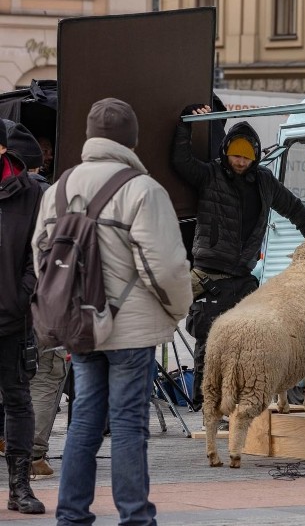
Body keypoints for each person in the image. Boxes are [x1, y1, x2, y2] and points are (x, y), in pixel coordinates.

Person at [32, 98, 192, 525]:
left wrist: (67, 308)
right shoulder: (143, 189)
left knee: (83, 420)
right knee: (126, 426)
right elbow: (167, 267)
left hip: (81, 327)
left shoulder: (59, 188)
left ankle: (72, 516)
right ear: (131, 140)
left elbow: (42, 259)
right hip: (132, 332)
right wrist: (178, 310)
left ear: (90, 137)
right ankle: (135, 518)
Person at [171, 104, 305, 412]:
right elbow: (180, 161)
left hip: (242, 277)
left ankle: (240, 400)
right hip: (209, 275)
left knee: (247, 342)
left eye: (246, 157)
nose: (239, 162)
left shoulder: (265, 182)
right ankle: (206, 403)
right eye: (235, 156)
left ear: (255, 158)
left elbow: (295, 209)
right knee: (209, 339)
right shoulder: (210, 174)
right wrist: (186, 124)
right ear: (226, 152)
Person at [3, 120, 63, 480]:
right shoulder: (45, 194)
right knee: (43, 378)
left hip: (20, 308)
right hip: (36, 309)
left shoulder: (31, 194)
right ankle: (34, 456)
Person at [0, 118, 46, 515]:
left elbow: (41, 251)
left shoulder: (31, 192)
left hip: (11, 319)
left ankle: (20, 488)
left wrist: (22, 295)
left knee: (18, 401)